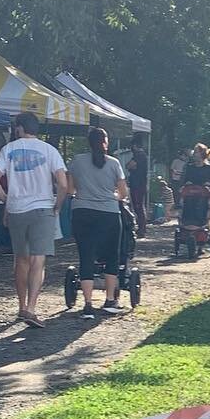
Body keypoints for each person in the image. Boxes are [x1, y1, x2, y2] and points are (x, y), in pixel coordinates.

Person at [0, 110, 68, 326]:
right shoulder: (50, 150)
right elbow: (63, 184)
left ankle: (21, 306)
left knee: (20, 260)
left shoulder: (8, 149)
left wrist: (7, 200)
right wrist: (57, 204)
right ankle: (32, 308)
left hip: (16, 209)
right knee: (38, 260)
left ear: (19, 128)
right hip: (43, 208)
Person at [67, 127, 128, 319]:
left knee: (86, 256)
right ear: (105, 142)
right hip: (108, 213)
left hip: (82, 212)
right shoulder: (114, 163)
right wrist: (113, 196)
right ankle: (110, 300)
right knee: (111, 256)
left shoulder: (77, 161)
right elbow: (123, 192)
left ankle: (87, 304)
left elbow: (70, 189)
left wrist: (82, 193)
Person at [125, 133, 149, 236]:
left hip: (138, 184)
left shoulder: (140, 155)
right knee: (137, 206)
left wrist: (131, 167)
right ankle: (141, 227)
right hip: (138, 183)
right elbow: (129, 166)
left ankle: (142, 228)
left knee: (138, 206)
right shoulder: (140, 155)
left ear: (135, 145)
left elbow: (130, 165)